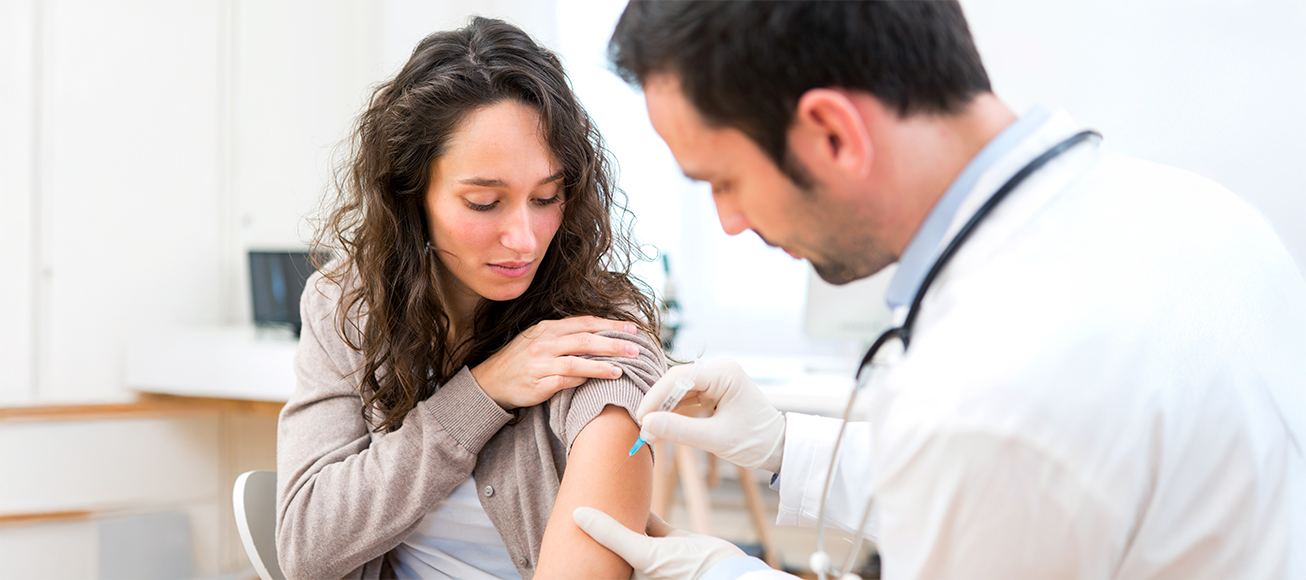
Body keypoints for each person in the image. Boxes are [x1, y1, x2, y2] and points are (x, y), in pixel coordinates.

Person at [572, 1, 1306, 579]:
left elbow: (994, 454)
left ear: (833, 132)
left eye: (722, 182)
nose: (728, 224)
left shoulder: (986, 387)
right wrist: (786, 445)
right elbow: (1028, 507)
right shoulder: (1204, 213)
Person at [276, 17, 666, 580]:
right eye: (485, 202)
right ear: (411, 194)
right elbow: (307, 546)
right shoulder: (348, 305)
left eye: (547, 196)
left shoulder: (596, 334)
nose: (525, 239)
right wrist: (480, 395)